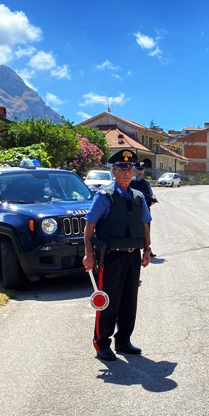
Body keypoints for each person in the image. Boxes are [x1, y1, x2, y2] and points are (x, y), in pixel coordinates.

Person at [83, 149, 152, 362]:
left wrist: (147, 250)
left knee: (129, 301)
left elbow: (145, 225)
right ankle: (102, 343)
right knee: (108, 302)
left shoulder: (138, 197)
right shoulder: (104, 196)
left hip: (133, 256)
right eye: (121, 168)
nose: (126, 172)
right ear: (113, 171)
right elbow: (89, 226)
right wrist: (88, 254)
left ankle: (123, 340)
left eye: (129, 168)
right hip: (111, 257)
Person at [130, 161, 158, 257]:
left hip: (145, 209)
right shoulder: (131, 182)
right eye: (138, 170)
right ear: (135, 170)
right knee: (134, 229)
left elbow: (151, 194)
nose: (140, 172)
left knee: (147, 229)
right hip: (133, 210)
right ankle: (134, 248)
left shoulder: (146, 183)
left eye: (142, 170)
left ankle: (147, 248)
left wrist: (153, 199)